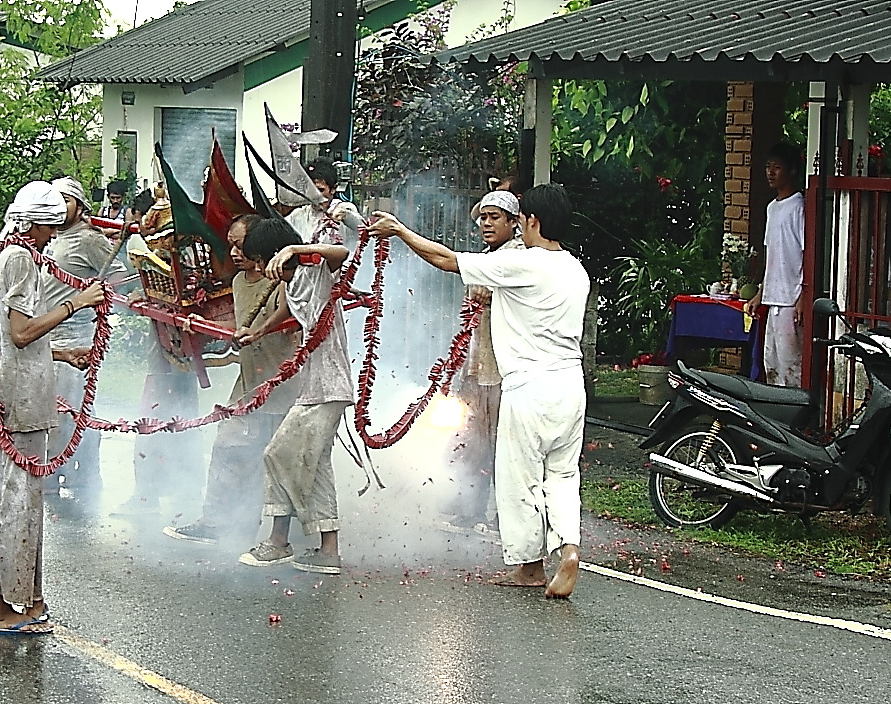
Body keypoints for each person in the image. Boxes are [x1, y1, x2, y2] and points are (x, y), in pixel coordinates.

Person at [370, 183, 589, 598]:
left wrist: (400, 230)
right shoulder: (575, 269)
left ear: (532, 222)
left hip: (530, 387)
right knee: (562, 474)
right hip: (571, 387)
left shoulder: (526, 264)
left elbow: (447, 260)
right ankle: (570, 548)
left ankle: (529, 569)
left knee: (519, 479)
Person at [0, 181, 104, 634]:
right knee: (19, 502)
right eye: (47, 228)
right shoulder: (17, 258)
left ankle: (22, 599)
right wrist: (78, 303)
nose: (50, 237)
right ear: (33, 223)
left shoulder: (12, 253)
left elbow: (14, 338)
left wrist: (63, 354)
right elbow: (19, 332)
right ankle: (8, 607)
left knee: (25, 500)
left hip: (22, 383)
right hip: (19, 394)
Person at [164, 214, 299, 544]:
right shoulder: (239, 282)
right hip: (249, 383)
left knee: (278, 461)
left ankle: (283, 535)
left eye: (241, 246)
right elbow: (238, 332)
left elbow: (287, 324)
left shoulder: (285, 281)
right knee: (229, 445)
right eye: (232, 245)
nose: (234, 253)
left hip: (284, 386)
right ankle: (219, 522)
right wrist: (201, 326)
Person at [236, 218, 351, 574]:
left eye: (259, 259)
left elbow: (342, 252)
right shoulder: (292, 280)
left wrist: (295, 249)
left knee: (276, 454)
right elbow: (286, 309)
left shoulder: (313, 270)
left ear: (276, 254)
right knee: (314, 466)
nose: (257, 268)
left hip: (328, 385)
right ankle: (328, 552)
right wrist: (256, 333)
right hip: (314, 383)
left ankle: (278, 542)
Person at [443, 190, 524, 534]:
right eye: (483, 218)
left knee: (501, 445)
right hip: (478, 364)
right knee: (474, 440)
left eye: (494, 217)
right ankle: (471, 508)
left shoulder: (519, 257)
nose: (487, 224)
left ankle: (503, 515)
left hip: (503, 367)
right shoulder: (486, 257)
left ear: (513, 222)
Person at [40, 177, 125, 497]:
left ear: (80, 206)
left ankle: (82, 477)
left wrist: (93, 295)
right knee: (52, 412)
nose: (60, 208)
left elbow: (117, 275)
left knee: (73, 412)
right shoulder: (49, 238)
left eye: (66, 201)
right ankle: (54, 471)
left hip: (77, 335)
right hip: (47, 335)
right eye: (54, 201)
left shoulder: (88, 239)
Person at [743, 143, 806, 387]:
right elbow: (771, 255)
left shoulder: (798, 207)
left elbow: (806, 252)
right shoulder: (772, 208)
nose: (770, 173)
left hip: (792, 298)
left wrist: (802, 296)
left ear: (790, 171)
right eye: (768, 168)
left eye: (777, 168)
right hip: (774, 298)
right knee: (771, 362)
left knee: (792, 365)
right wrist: (761, 293)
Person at [285, 159, 364, 247]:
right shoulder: (298, 215)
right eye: (311, 190)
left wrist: (346, 216)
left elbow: (363, 229)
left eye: (320, 190)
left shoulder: (345, 209)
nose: (316, 196)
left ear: (333, 189)